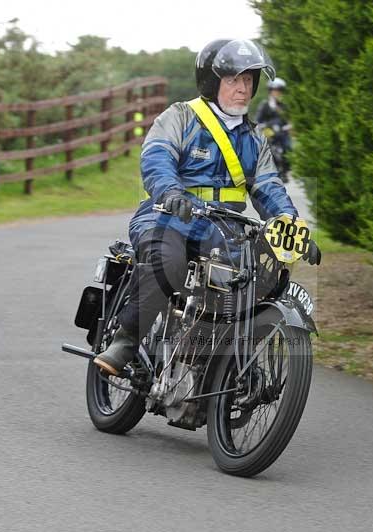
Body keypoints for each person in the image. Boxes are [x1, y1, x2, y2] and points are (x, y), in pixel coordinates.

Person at [94, 39, 320, 377]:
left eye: (249, 80)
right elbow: (157, 156)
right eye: (234, 80)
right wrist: (170, 191)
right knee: (167, 261)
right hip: (168, 215)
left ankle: (221, 360)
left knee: (251, 281)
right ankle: (127, 339)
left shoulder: (255, 140)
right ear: (213, 83)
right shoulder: (181, 116)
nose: (243, 89)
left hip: (224, 231)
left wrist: (291, 228)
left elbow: (269, 187)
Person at [255, 77, 292, 178]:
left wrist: (289, 126)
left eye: (279, 91)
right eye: (275, 91)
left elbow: (289, 120)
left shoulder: (284, 106)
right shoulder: (264, 105)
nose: (277, 93)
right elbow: (258, 121)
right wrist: (263, 126)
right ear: (270, 91)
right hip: (269, 132)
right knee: (267, 148)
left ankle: (285, 169)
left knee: (289, 147)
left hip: (282, 133)